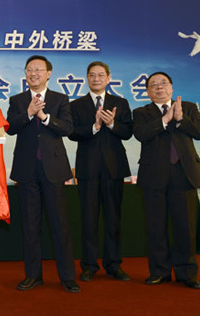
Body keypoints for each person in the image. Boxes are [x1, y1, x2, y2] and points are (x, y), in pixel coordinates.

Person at [7, 55, 80, 293]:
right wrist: (28, 112)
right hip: (27, 171)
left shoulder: (60, 99)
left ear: (49, 73)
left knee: (60, 226)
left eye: (38, 69)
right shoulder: (17, 100)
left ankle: (67, 277)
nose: (33, 73)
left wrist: (44, 117)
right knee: (30, 226)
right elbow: (10, 128)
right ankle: (33, 276)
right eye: (29, 70)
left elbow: (68, 128)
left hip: (54, 170)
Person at [133, 72, 200, 289]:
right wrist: (164, 120)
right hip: (153, 175)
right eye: (153, 85)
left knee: (185, 226)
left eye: (163, 83)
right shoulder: (141, 112)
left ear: (172, 88)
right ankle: (159, 272)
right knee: (156, 227)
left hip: (183, 174)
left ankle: (187, 273)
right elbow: (140, 134)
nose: (159, 88)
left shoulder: (190, 108)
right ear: (147, 91)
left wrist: (181, 119)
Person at [69, 61, 132, 282]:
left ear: (108, 78)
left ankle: (114, 265)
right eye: (92, 75)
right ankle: (88, 265)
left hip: (114, 169)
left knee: (114, 219)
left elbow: (128, 132)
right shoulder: (76, 105)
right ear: (87, 78)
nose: (96, 79)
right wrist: (94, 127)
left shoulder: (120, 103)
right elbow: (72, 133)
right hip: (87, 169)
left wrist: (113, 124)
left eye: (100, 75)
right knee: (88, 219)